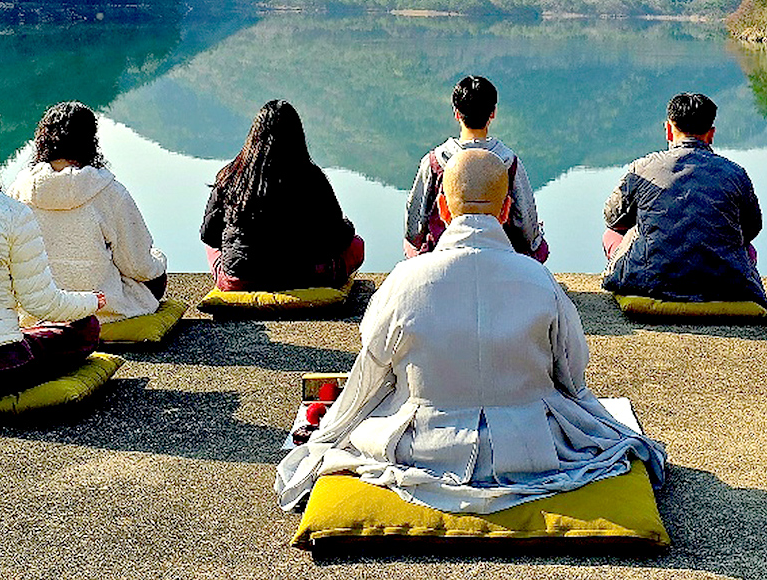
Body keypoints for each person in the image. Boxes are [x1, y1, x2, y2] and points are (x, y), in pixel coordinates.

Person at [276, 148, 665, 514]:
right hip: (532, 449)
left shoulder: (404, 281)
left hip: (421, 448)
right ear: (506, 208)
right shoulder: (540, 281)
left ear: (443, 208)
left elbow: (373, 370)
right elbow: (571, 374)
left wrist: (332, 427)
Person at [0, 96, 105, 400]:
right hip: (1, 367)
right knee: (86, 327)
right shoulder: (10, 213)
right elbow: (42, 304)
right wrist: (91, 301)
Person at [8, 101, 166, 323]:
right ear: (90, 141)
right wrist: (160, 261)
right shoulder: (109, 191)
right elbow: (138, 266)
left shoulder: (18, 189)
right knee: (156, 276)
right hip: (102, 308)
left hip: (37, 310)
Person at [601, 92, 765, 303]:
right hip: (729, 287)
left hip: (648, 283)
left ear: (668, 129)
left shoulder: (642, 169)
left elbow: (612, 219)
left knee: (611, 234)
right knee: (747, 249)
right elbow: (752, 229)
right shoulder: (735, 173)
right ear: (711, 133)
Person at [200, 99, 363, 290]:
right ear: (297, 136)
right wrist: (347, 227)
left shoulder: (230, 177)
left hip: (240, 279)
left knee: (212, 249)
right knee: (357, 245)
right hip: (306, 275)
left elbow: (209, 235)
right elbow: (337, 237)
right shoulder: (313, 178)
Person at [405, 75, 549, 263]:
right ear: (493, 113)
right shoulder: (508, 162)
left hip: (443, 257)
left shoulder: (435, 161)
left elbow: (414, 226)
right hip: (501, 257)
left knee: (411, 247)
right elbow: (527, 229)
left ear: (457, 113)